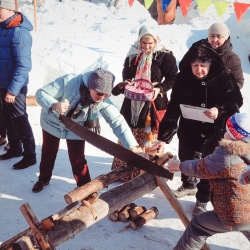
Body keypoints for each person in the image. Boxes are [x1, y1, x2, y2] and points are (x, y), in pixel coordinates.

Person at [150, 39, 243, 216]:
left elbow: (237, 101)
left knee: (208, 166)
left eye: (203, 65)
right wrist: (163, 138)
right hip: (189, 129)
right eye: (195, 65)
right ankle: (188, 185)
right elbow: (174, 107)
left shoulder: (223, 77)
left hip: (213, 132)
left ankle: (202, 199)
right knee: (186, 159)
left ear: (211, 64)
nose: (198, 70)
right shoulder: (182, 78)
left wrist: (220, 110)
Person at [32, 68, 141, 193]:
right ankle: (43, 179)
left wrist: (133, 147)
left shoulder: (102, 98)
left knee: (78, 159)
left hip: (76, 127)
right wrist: (54, 105)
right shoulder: (69, 82)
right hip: (52, 121)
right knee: (49, 151)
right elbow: (40, 93)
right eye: (100, 93)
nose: (102, 97)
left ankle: (86, 190)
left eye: (106, 95)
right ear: (91, 86)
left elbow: (117, 121)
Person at [168, 113, 250, 250]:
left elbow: (200, 168)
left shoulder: (226, 155)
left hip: (232, 215)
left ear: (230, 133)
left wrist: (180, 166)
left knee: (197, 226)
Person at [111, 24, 178, 181]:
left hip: (152, 102)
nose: (147, 46)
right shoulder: (132, 55)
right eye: (144, 42)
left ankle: (146, 174)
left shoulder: (164, 56)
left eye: (150, 43)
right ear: (139, 40)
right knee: (128, 133)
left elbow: (173, 78)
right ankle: (124, 172)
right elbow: (126, 74)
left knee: (148, 136)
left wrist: (159, 88)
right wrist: (128, 82)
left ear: (156, 40)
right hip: (132, 102)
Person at [0, 1, 36, 169]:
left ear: (9, 9)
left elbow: (24, 65)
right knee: (7, 118)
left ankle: (30, 156)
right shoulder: (3, 27)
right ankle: (15, 148)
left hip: (15, 87)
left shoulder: (19, 32)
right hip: (2, 83)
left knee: (19, 120)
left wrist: (12, 90)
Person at [207, 22, 244, 89]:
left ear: (225, 39)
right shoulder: (202, 52)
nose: (215, 40)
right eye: (212, 36)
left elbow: (238, 81)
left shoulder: (231, 58)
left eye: (219, 36)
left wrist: (223, 91)